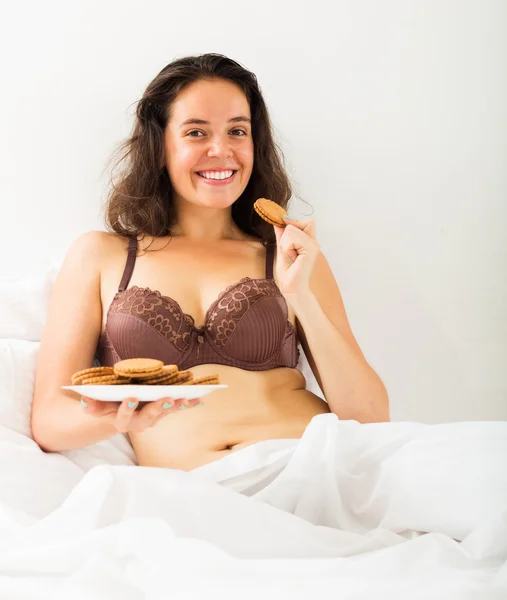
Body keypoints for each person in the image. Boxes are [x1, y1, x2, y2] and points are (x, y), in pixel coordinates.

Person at [31, 53, 390, 471]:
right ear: (160, 146)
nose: (221, 150)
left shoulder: (289, 256)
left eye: (238, 131)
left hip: (312, 466)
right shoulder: (100, 255)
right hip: (194, 497)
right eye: (196, 132)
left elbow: (371, 419)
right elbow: (49, 420)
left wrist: (300, 297)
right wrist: (115, 416)